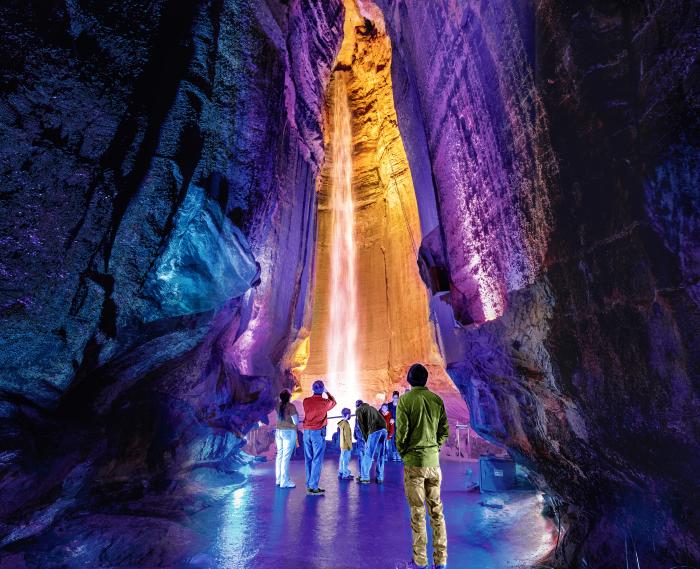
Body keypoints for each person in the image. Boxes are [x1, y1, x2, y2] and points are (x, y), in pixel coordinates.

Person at [396, 363, 449, 569]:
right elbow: (444, 430)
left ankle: (419, 561)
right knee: (437, 511)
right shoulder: (436, 400)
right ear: (426, 380)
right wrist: (435, 447)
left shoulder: (406, 400)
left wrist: (403, 452)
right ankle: (441, 561)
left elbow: (402, 432)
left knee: (417, 512)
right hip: (434, 464)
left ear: (409, 380)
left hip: (414, 464)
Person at [302, 380, 336, 496]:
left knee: (308, 459)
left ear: (312, 389)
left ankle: (309, 485)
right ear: (322, 390)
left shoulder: (305, 401)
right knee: (317, 459)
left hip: (306, 432)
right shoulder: (325, 402)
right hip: (318, 433)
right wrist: (327, 392)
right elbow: (334, 402)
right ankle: (314, 487)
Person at [355, 400, 388, 484]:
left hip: (374, 430)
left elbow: (362, 427)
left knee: (369, 453)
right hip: (384, 429)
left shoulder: (359, 410)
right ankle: (380, 477)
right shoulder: (371, 408)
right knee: (381, 454)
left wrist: (366, 440)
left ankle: (365, 477)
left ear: (357, 406)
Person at [275, 390, 299, 488]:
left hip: (278, 431)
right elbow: (296, 421)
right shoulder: (291, 406)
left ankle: (279, 479)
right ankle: (284, 482)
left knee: (279, 455)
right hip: (288, 432)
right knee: (285, 457)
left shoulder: (278, 405)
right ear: (289, 397)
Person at [337, 408, 354, 479]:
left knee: (342, 459)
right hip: (346, 446)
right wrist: (350, 446)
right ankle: (345, 474)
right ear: (347, 415)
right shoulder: (346, 424)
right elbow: (347, 437)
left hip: (342, 445)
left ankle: (341, 472)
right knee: (346, 460)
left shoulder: (342, 423)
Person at [387, 391, 401, 461]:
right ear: (392, 397)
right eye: (394, 397)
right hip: (391, 425)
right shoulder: (389, 405)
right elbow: (384, 411)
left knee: (398, 439)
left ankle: (398, 454)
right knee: (392, 439)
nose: (395, 399)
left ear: (398, 398)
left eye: (397, 397)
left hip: (399, 425)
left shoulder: (401, 405)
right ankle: (394, 453)